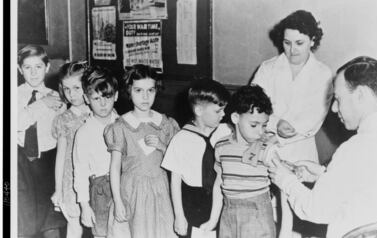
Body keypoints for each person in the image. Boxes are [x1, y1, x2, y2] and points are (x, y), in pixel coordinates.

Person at [268, 56, 377, 238]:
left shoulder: (356, 148)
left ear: (360, 95)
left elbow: (316, 210)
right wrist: (323, 174)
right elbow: (367, 186)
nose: (334, 108)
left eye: (339, 99)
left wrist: (285, 179)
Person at [251, 10, 333, 237]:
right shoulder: (267, 68)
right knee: (265, 215)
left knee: (295, 218)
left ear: (313, 41)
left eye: (299, 43)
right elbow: (253, 105)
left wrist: (281, 134)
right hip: (265, 145)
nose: (292, 49)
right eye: (287, 43)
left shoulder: (323, 74)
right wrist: (274, 124)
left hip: (301, 152)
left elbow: (314, 118)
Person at [104, 64, 180, 238]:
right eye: (138, 90)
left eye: (150, 90)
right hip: (131, 192)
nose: (145, 97)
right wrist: (117, 200)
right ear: (129, 91)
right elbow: (115, 167)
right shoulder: (121, 126)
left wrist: (162, 146)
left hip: (160, 191)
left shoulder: (165, 124)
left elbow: (177, 162)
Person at [200, 85, 277, 238]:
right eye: (254, 125)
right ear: (235, 118)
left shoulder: (266, 148)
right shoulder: (221, 146)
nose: (260, 131)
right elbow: (219, 184)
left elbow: (282, 184)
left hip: (258, 215)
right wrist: (213, 220)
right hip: (229, 213)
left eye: (264, 125)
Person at [161, 79, 232, 237]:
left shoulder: (226, 131)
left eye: (224, 110)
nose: (223, 114)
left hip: (222, 196)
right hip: (193, 201)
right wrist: (179, 216)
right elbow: (175, 182)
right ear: (199, 110)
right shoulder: (181, 139)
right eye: (218, 111)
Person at [17, 45, 67, 238]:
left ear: (47, 68)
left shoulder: (56, 97)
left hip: (47, 164)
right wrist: (40, 104)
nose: (33, 72)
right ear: (19, 69)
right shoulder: (13, 95)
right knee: (24, 219)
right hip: (21, 163)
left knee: (51, 221)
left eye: (38, 67)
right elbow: (16, 122)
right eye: (27, 67)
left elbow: (61, 132)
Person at [72, 66, 119, 238]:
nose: (103, 103)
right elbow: (80, 171)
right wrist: (84, 207)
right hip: (100, 191)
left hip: (124, 186)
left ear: (116, 95)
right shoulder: (84, 132)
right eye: (96, 98)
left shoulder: (123, 124)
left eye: (107, 97)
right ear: (86, 98)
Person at [51, 61, 91, 238]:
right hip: (71, 179)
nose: (72, 94)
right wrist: (58, 189)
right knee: (74, 224)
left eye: (76, 88)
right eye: (67, 89)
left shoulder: (100, 112)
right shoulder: (64, 119)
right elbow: (60, 158)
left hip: (95, 177)